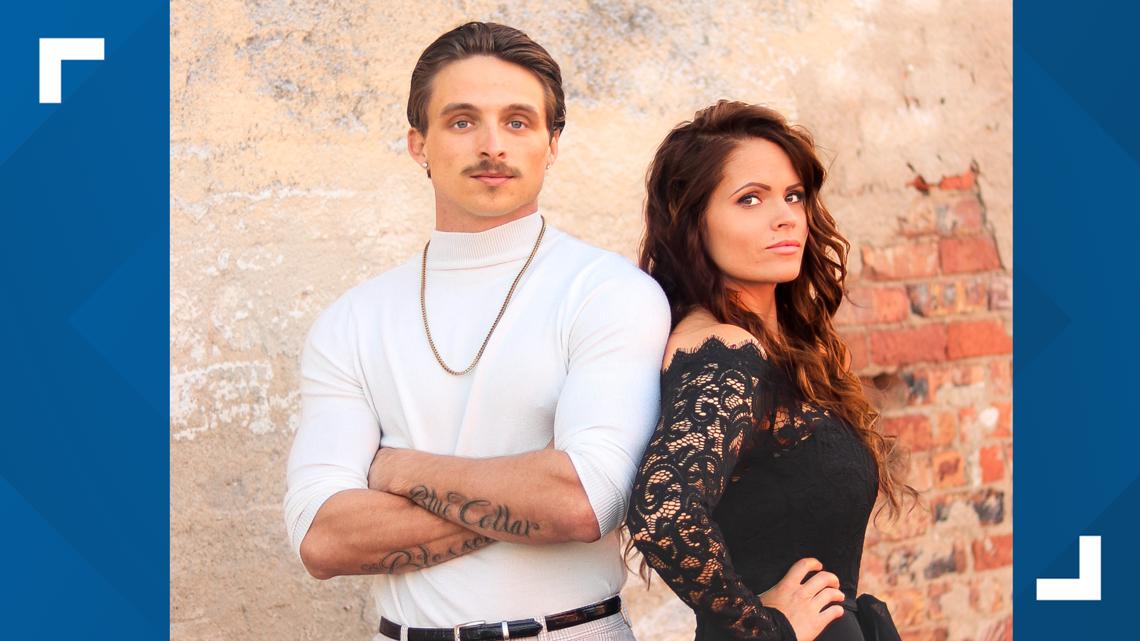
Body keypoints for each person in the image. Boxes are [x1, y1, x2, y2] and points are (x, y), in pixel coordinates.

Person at [282, 22, 671, 641]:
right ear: (419, 144)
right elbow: (323, 540)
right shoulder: (352, 320)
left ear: (552, 143)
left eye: (518, 122)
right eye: (462, 121)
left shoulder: (608, 293)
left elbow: (583, 503)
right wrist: (529, 496)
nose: (493, 146)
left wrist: (398, 471)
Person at [625, 101, 913, 641]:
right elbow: (664, 511)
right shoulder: (721, 349)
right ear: (692, 220)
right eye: (750, 199)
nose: (785, 217)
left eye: (793, 195)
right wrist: (768, 629)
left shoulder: (781, 348)